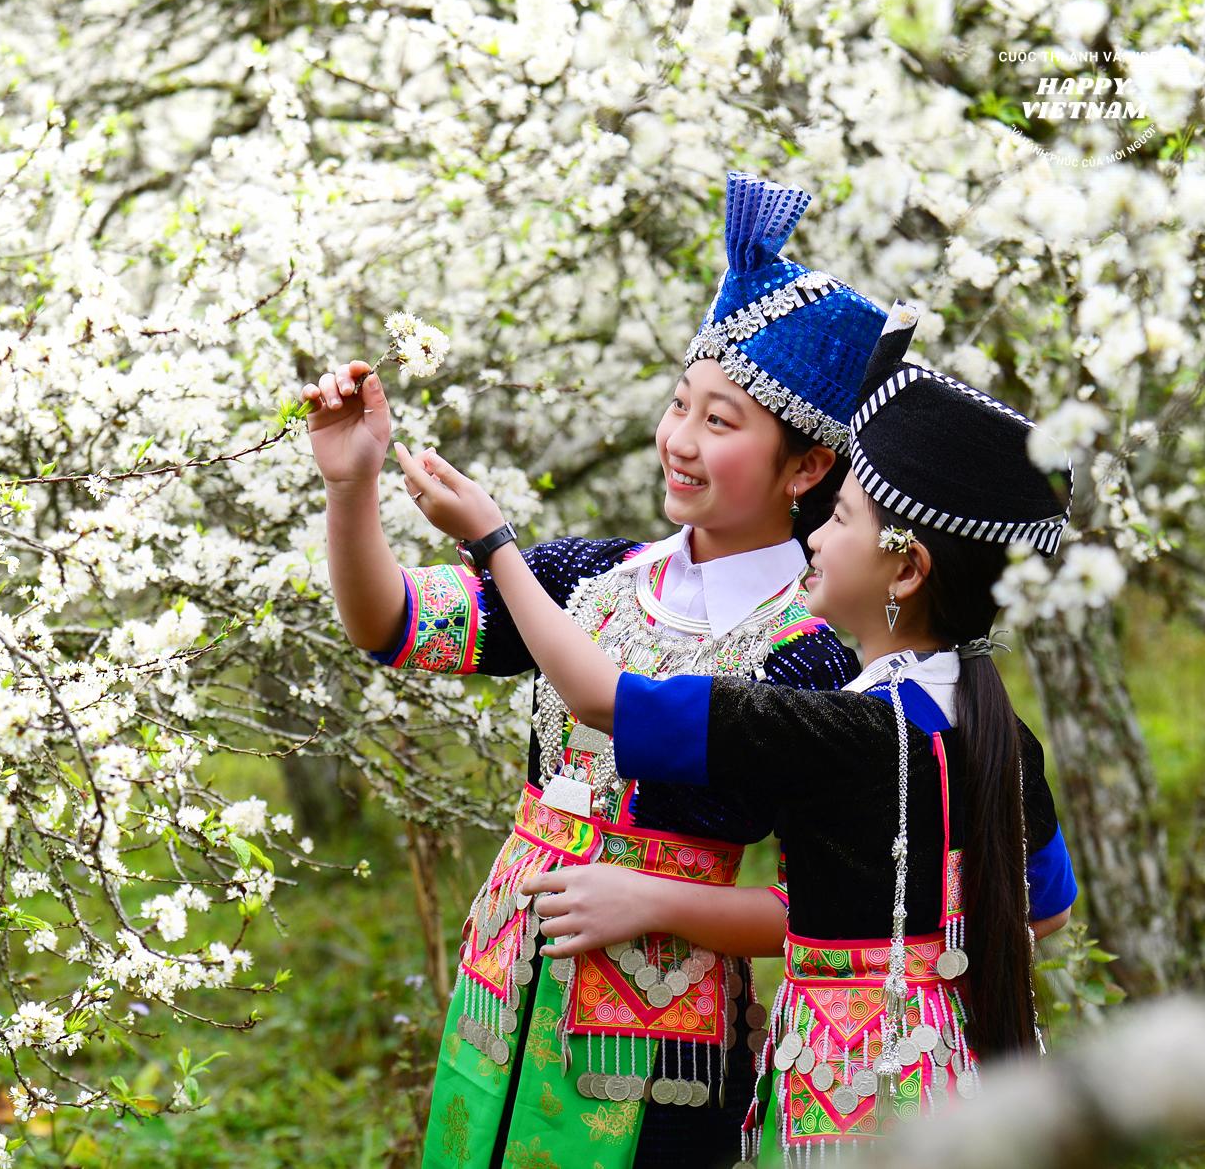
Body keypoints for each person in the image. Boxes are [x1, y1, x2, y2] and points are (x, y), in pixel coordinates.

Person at [390, 300, 1078, 1164]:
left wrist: (494, 542)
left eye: (844, 516)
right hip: (945, 1078)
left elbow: (607, 699)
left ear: (906, 568)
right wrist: (908, 960)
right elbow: (1042, 910)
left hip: (831, 1086)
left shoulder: (828, 724)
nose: (818, 532)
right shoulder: (995, 732)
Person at [303, 172, 890, 1168]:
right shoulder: (587, 577)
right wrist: (352, 486)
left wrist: (653, 899)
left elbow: (823, 910)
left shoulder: (811, 648)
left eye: (720, 422)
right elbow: (390, 622)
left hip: (654, 1044)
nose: (678, 441)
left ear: (804, 469)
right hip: (502, 985)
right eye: (677, 405)